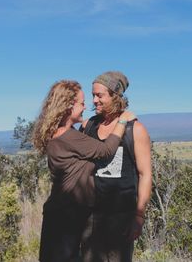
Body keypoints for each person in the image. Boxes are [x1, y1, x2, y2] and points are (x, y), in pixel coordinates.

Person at [32, 80, 136, 262]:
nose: (85, 106)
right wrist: (122, 121)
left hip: (61, 215)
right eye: (81, 103)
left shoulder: (61, 132)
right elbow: (105, 151)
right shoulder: (69, 136)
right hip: (65, 218)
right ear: (68, 107)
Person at [80, 71, 152, 262]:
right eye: (93, 95)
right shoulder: (88, 127)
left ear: (115, 96)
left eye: (100, 95)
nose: (94, 100)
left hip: (122, 217)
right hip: (90, 216)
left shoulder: (135, 130)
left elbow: (145, 174)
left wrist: (139, 216)